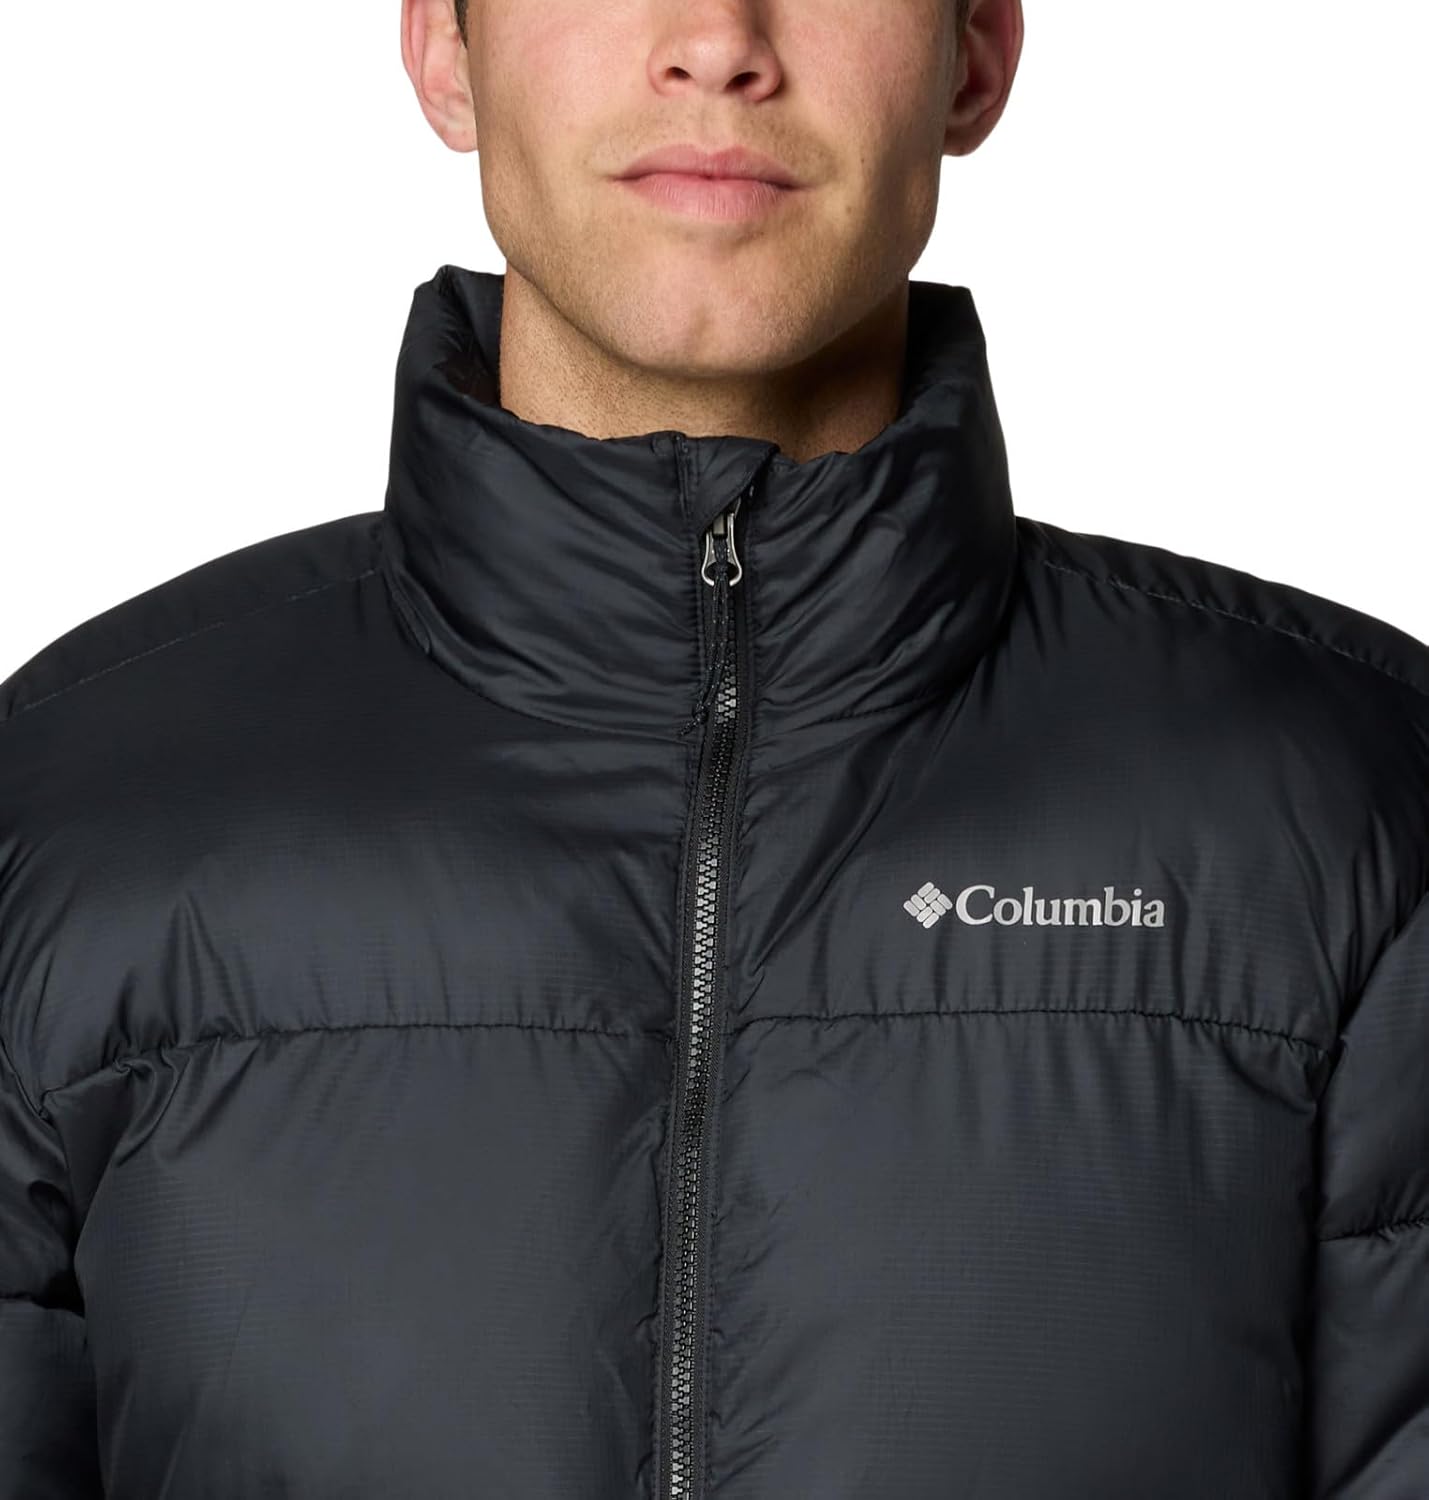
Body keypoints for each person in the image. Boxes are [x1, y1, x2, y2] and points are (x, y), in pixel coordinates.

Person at [1, 0, 1425, 1494]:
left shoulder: (1355, 808)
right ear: (446, 53)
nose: (716, 40)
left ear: (976, 55)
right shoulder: (68, 813)